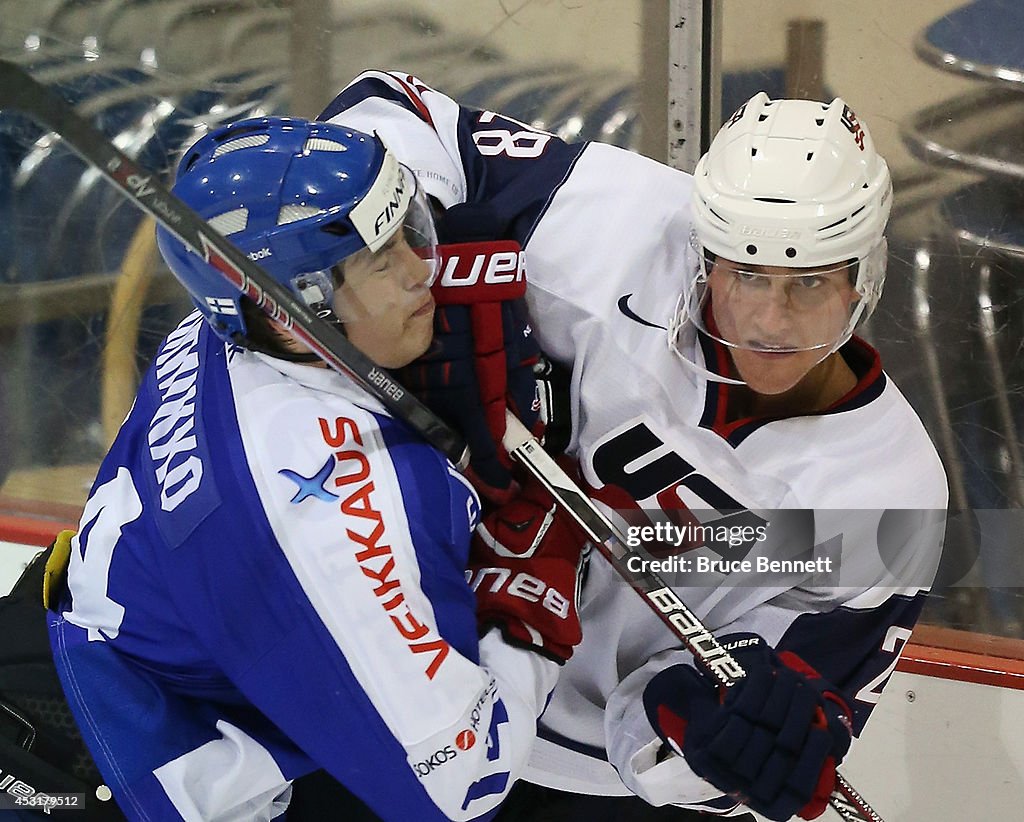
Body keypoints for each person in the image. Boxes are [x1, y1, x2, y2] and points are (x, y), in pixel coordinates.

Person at [319, 72, 949, 821]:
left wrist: (691, 722)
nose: (770, 323)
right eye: (745, 275)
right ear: (705, 250)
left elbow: (782, 738)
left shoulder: (890, 495)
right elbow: (389, 104)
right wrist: (436, 263)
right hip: (403, 674)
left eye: (809, 284)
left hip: (579, 782)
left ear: (860, 280)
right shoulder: (610, 226)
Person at [41, 116, 590, 821]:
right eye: (379, 261)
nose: (423, 270)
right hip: (113, 776)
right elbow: (461, 786)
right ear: (293, 308)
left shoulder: (214, 327)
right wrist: (524, 619)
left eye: (407, 232)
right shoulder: (332, 507)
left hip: (90, 673)